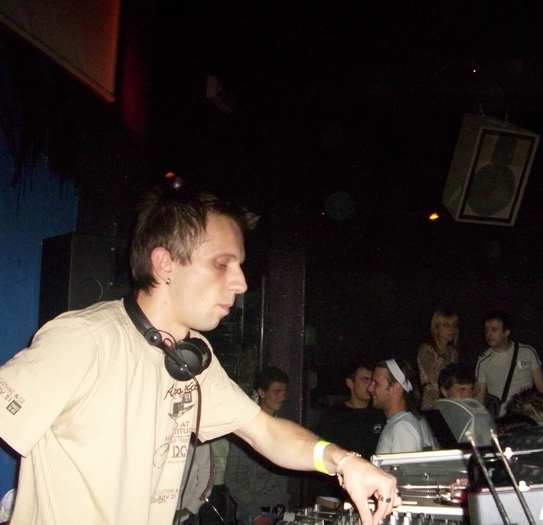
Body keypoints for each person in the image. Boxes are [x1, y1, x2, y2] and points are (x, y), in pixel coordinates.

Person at [0, 184, 397, 524]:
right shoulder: (84, 340)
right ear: (165, 264)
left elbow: (264, 431)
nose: (240, 283)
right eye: (222, 264)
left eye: (239, 266)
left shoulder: (193, 356)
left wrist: (344, 462)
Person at [225, 366, 291, 525]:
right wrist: (256, 514)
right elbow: (234, 477)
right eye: (277, 392)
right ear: (261, 392)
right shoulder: (247, 428)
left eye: (284, 392)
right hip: (254, 514)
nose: (282, 397)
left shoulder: (283, 428)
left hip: (280, 510)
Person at [475, 309, 543, 416]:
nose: (489, 334)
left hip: (526, 417)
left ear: (506, 332)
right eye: (486, 329)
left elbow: (542, 389)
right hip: (501, 419)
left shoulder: (527, 352)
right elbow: (480, 397)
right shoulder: (483, 361)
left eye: (494, 329)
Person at [316, 361, 385, 461]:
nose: (370, 386)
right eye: (365, 380)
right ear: (350, 383)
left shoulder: (380, 414)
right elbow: (323, 451)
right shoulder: (334, 416)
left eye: (373, 381)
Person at [368, 359, 423, 454]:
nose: (369, 388)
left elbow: (405, 464)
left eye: (376, 383)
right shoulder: (397, 424)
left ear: (395, 388)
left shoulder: (402, 428)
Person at [416, 309, 460, 409]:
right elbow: (437, 377)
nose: (451, 329)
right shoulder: (426, 349)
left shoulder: (453, 352)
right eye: (446, 325)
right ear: (436, 327)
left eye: (454, 325)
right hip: (433, 403)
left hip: (451, 402)